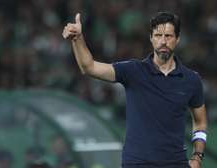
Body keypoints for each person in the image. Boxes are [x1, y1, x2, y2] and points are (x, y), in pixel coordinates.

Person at [62, 11, 207, 168]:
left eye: (168, 36)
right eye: (158, 35)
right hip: (137, 164)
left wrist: (197, 155)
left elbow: (200, 123)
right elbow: (89, 67)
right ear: (151, 38)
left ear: (177, 39)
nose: (163, 41)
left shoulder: (191, 80)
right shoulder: (133, 71)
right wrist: (78, 39)